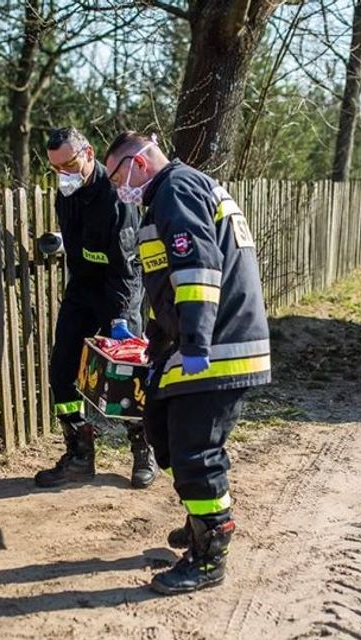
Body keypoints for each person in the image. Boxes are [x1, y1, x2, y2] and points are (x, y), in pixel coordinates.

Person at [104, 132, 271, 594]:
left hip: (215, 347)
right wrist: (156, 342)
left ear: (137, 163)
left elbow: (198, 269)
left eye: (118, 177)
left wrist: (195, 343)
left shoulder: (175, 189)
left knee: (195, 452)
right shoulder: (171, 192)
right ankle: (199, 516)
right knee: (161, 429)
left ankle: (209, 552)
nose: (120, 189)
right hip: (193, 342)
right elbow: (167, 286)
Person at [34, 127, 156, 489]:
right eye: (56, 168)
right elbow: (75, 251)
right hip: (82, 291)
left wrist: (120, 319)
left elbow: (125, 266)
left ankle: (142, 449)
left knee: (127, 377)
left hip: (119, 292)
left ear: (88, 154)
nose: (64, 174)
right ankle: (79, 454)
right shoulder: (66, 195)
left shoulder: (117, 197)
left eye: (69, 164)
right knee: (61, 373)